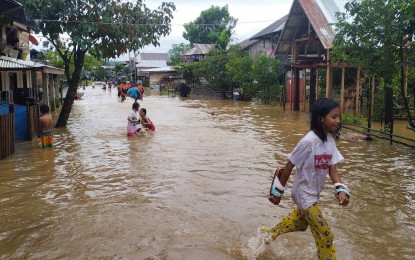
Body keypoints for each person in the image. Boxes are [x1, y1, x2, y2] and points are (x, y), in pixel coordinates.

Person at [259, 98, 349, 260]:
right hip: (303, 195)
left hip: (313, 194)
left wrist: (340, 188)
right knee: (326, 236)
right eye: (334, 117)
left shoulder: (329, 142)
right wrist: (277, 193)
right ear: (321, 118)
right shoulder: (308, 142)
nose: (338, 121)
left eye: (338, 117)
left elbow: (332, 169)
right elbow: (288, 166)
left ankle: (268, 234)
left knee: (300, 224)